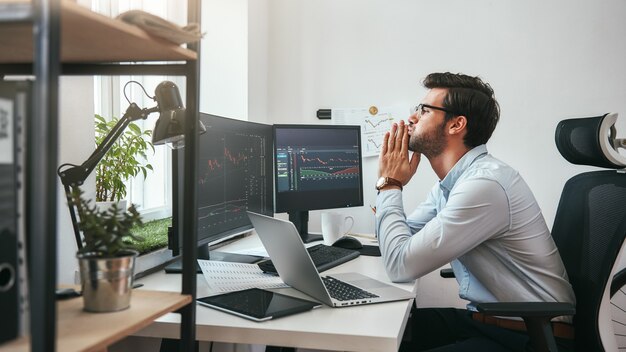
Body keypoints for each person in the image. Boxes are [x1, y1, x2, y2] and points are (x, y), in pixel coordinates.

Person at [375, 72, 575, 351]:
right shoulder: (454, 183)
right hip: (488, 321)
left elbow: (401, 266)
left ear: (457, 124)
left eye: (423, 110)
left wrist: (390, 185)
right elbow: (399, 241)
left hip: (531, 336)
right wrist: (390, 189)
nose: (412, 118)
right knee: (386, 329)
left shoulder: (484, 186)